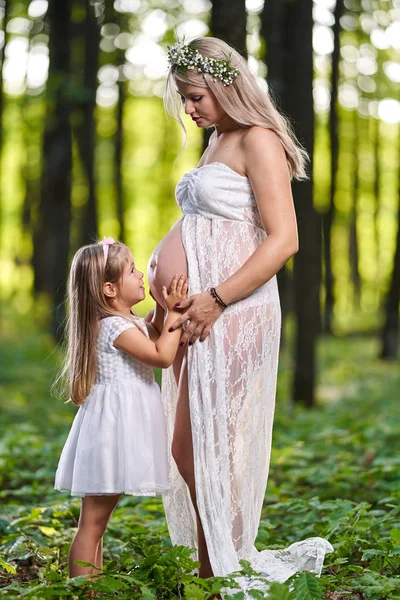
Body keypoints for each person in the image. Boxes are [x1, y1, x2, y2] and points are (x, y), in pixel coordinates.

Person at [147, 38, 333, 590]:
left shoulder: (259, 140)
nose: (189, 108)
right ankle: (216, 565)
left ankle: (220, 571)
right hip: (194, 314)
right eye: (183, 98)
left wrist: (217, 297)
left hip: (233, 311)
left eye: (196, 95)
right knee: (191, 445)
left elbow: (284, 240)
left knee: (200, 445)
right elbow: (202, 224)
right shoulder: (218, 140)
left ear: (227, 84)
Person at [54, 237, 188, 578]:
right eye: (133, 270)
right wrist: (173, 313)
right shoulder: (113, 327)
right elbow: (161, 355)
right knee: (93, 523)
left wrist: (161, 305)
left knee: (98, 522)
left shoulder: (127, 321)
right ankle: (81, 590)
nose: (141, 274)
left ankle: (91, 586)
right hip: (111, 433)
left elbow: (155, 332)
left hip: (118, 428)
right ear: (110, 289)